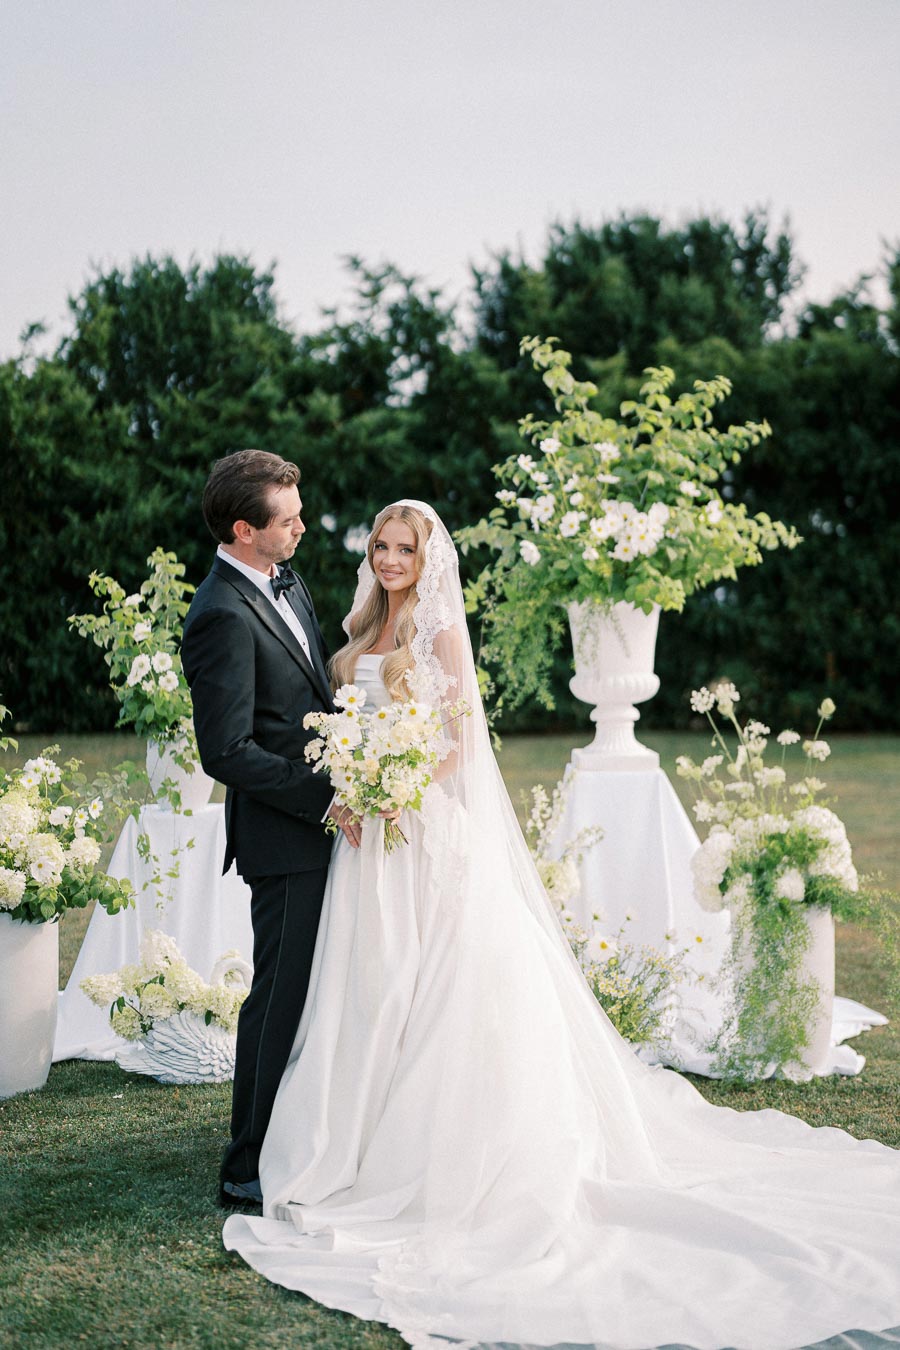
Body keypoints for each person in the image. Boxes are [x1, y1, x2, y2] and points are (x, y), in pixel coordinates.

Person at [224, 500, 900, 1349]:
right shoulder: (359, 622)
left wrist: (398, 790)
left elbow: (457, 740)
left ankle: (426, 1152)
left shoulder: (439, 635)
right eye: (382, 545)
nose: (390, 558)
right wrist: (353, 781)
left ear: (430, 560)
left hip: (415, 825)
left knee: (421, 979)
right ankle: (348, 1134)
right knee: (363, 982)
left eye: (405, 548)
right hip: (363, 837)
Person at [181, 449, 359, 1209]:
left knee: (327, 988)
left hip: (332, 821)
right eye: (287, 519)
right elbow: (226, 750)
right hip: (286, 837)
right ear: (245, 530)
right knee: (278, 995)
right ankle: (246, 1162)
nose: (303, 527)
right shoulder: (219, 613)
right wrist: (325, 800)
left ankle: (312, 1131)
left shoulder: (287, 580)